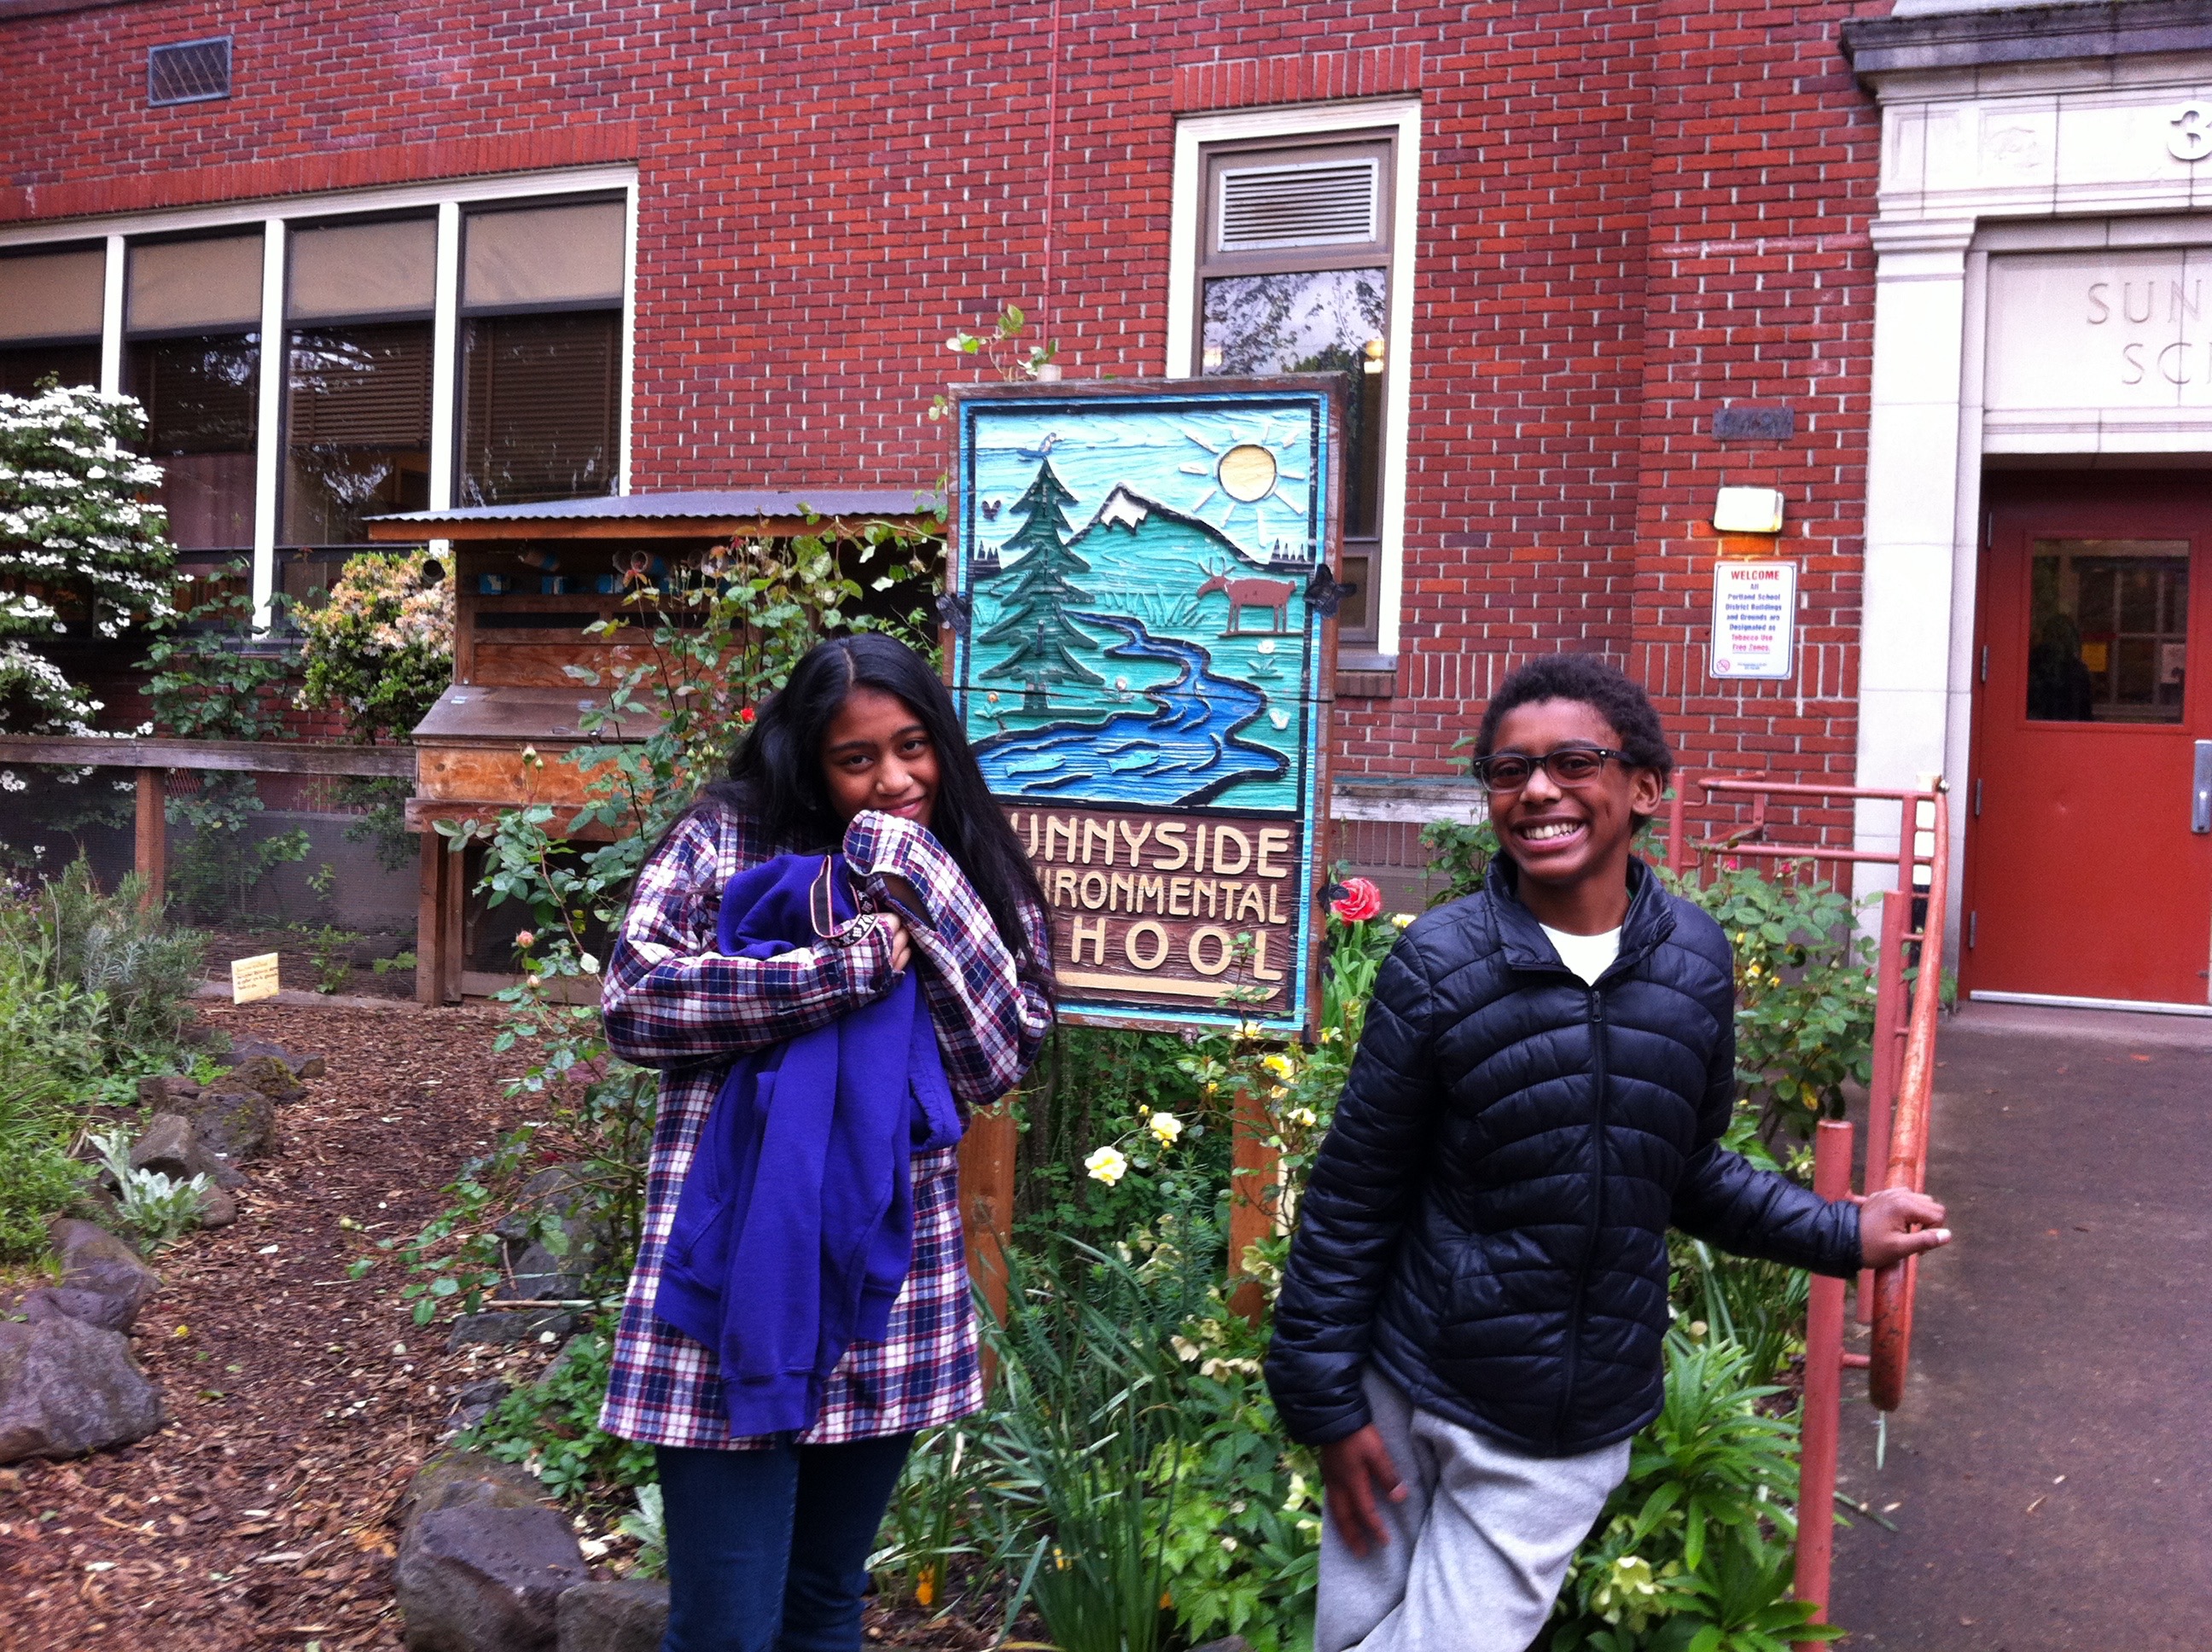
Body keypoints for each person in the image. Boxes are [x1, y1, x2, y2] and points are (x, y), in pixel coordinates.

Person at [1264, 654, 1951, 1652]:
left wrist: (1843, 1232)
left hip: (1560, 1419)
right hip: (1405, 1379)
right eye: (1509, 770)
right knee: (1355, 1633)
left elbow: (1688, 1168)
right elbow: (1355, 1192)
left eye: (1573, 762)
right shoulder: (1440, 964)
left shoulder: (1694, 962)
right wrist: (1325, 1401)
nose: (1538, 789)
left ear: (1644, 788)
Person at [598, 633, 1053, 1652]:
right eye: (858, 759)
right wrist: (834, 971)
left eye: (912, 746)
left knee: (824, 1605)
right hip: (729, 1271)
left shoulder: (967, 861)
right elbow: (634, 1001)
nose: (894, 779)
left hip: (883, 1285)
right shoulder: (727, 839)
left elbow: (995, 1059)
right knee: (725, 1628)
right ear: (810, 760)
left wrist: (915, 873)